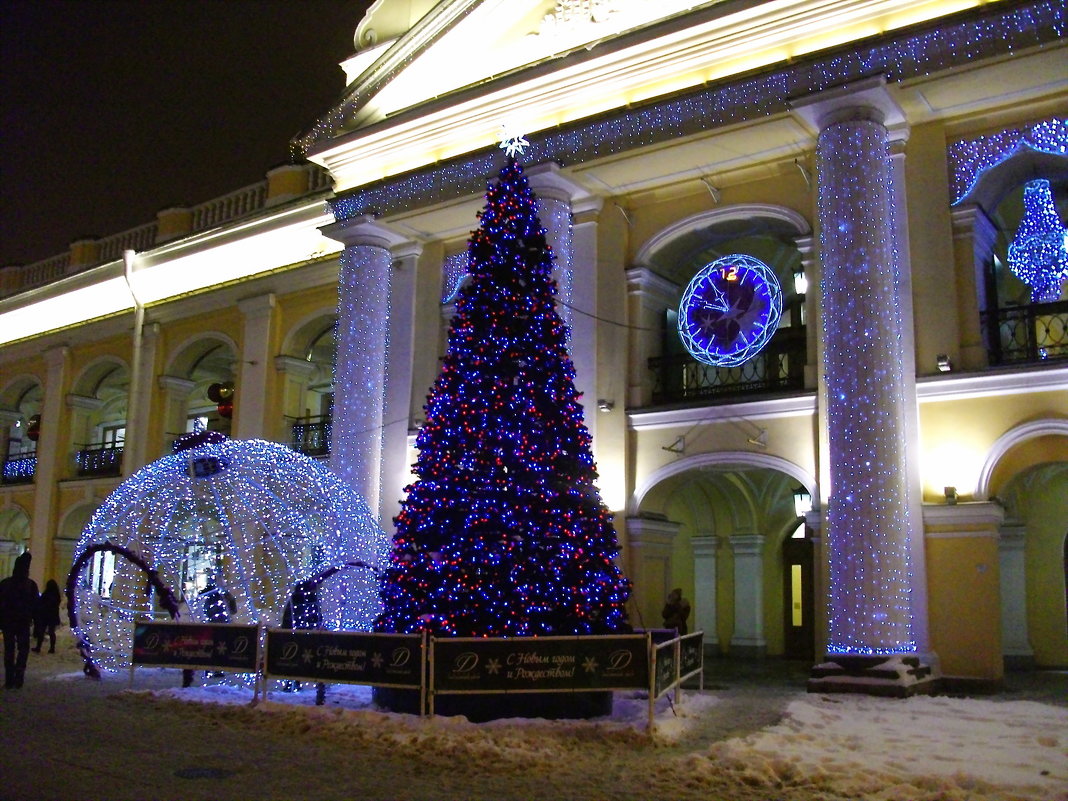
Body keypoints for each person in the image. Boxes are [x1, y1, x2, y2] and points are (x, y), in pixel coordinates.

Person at [0, 552, 40, 688]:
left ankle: (10, 678)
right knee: (23, 649)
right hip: (23, 622)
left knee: (9, 649)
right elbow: (35, 606)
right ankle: (19, 676)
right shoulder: (30, 585)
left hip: (8, 622)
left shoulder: (5, 583)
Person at [32, 579, 62, 654]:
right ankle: (52, 648)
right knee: (51, 632)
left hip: (45, 615)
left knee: (41, 632)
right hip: (53, 616)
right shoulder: (56, 595)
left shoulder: (46, 594)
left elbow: (41, 603)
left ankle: (38, 647)